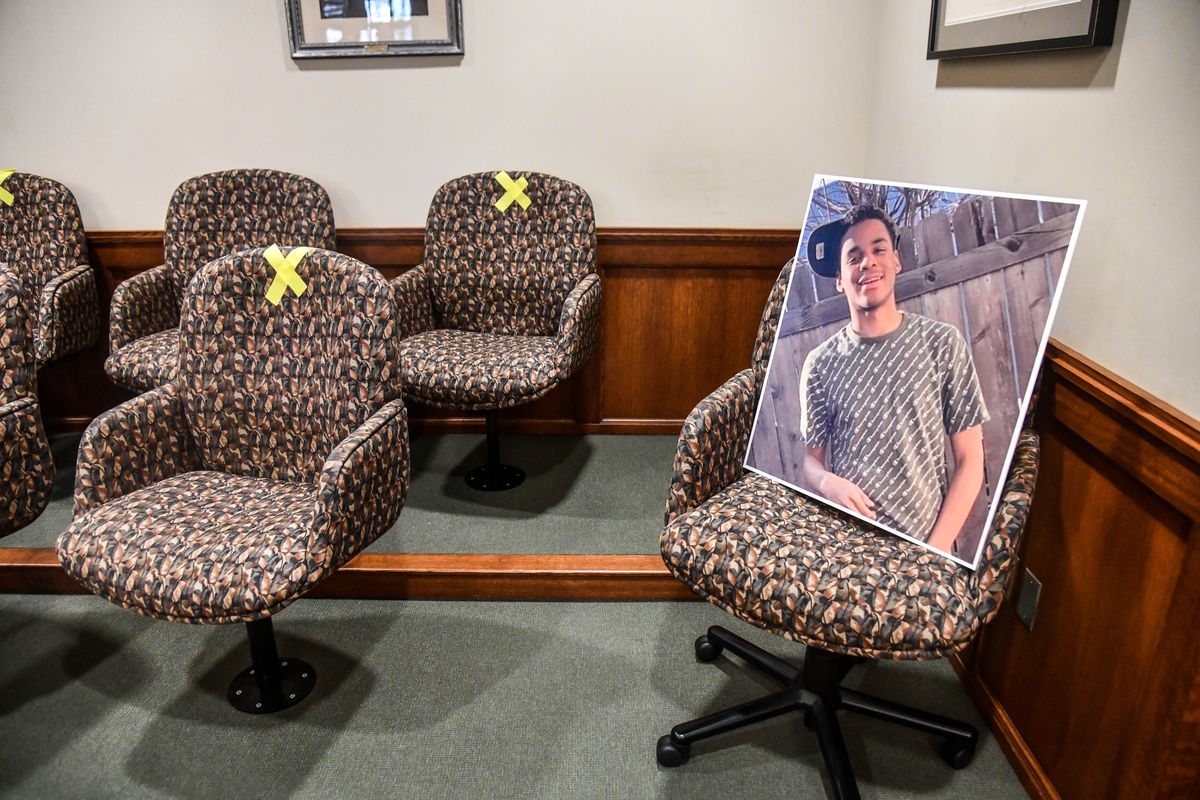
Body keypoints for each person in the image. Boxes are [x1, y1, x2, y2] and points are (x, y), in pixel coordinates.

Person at [798, 203, 988, 553]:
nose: (867, 262)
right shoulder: (820, 364)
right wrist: (827, 483)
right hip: (848, 546)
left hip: (923, 548)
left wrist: (934, 551)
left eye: (878, 249)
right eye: (853, 257)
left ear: (896, 261)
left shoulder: (942, 344)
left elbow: (970, 459)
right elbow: (811, 460)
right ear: (840, 279)